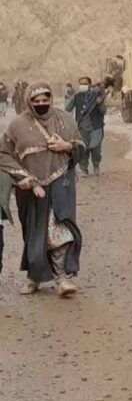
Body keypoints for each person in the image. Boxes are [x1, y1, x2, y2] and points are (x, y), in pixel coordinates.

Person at [0, 82, 84, 296]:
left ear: (51, 100)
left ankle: (61, 278)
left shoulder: (65, 120)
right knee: (34, 233)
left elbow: (81, 148)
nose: (41, 105)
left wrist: (67, 146)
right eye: (36, 102)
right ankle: (35, 277)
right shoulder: (17, 126)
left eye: (45, 101)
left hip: (61, 184)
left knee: (61, 230)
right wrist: (25, 178)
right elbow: (3, 155)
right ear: (29, 101)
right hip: (30, 189)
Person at [66, 76, 107, 175]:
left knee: (96, 148)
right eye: (81, 84)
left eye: (85, 83)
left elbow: (103, 110)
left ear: (89, 85)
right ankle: (84, 169)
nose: (82, 86)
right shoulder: (77, 96)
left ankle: (96, 166)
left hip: (96, 126)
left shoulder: (96, 96)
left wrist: (99, 103)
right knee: (83, 149)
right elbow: (68, 108)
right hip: (82, 127)